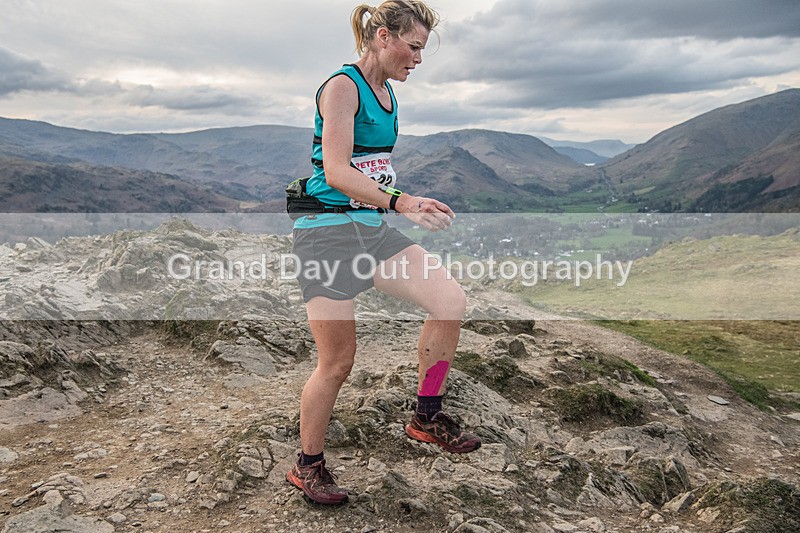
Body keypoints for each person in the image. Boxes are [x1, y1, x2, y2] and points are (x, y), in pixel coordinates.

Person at [285, 0, 481, 505]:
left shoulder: (387, 93)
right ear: (382, 37)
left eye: (422, 49)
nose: (418, 58)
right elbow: (335, 171)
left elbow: (370, 170)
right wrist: (404, 202)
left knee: (449, 301)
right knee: (337, 362)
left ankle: (427, 417)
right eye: (413, 47)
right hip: (326, 234)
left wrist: (400, 202)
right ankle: (308, 465)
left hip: (370, 231)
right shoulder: (342, 87)